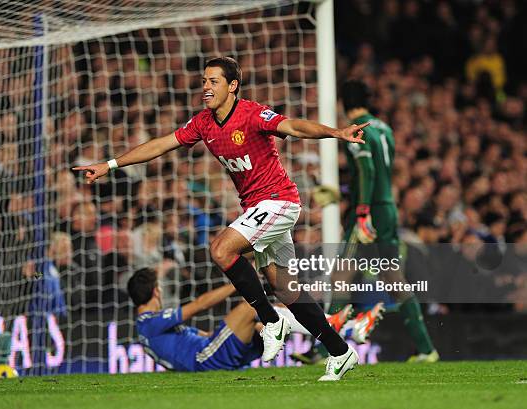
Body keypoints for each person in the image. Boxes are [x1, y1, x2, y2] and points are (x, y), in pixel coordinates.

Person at [73, 57, 369, 381]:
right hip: (259, 208)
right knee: (286, 288)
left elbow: (294, 126)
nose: (206, 87)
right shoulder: (203, 123)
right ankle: (340, 351)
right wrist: (110, 164)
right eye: (203, 81)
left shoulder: (253, 114)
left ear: (232, 86)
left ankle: (271, 320)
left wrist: (336, 133)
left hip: (279, 201)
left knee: (220, 250)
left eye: (213, 81)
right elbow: (162, 144)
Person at [304, 80, 438, 364]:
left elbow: (367, 170)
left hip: (369, 213)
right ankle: (427, 349)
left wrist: (361, 210)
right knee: (393, 277)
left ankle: (322, 349)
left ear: (343, 103)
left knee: (341, 276)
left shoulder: (358, 130)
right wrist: (344, 193)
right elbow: (379, 170)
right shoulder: (384, 128)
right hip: (387, 208)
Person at [127, 268, 382, 372]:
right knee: (249, 307)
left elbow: (187, 342)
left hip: (209, 353)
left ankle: (349, 328)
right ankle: (336, 325)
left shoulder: (148, 328)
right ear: (155, 291)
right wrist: (238, 283)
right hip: (206, 358)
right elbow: (199, 305)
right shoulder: (149, 322)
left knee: (272, 314)